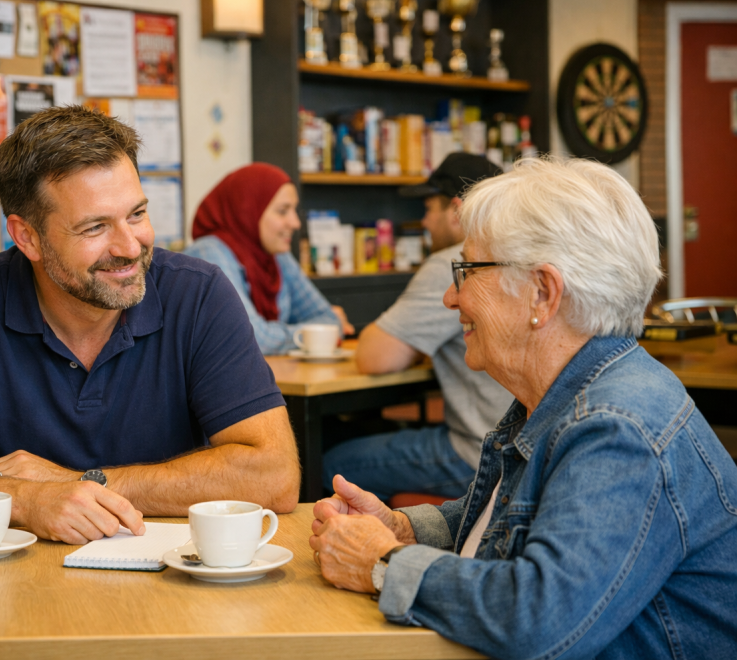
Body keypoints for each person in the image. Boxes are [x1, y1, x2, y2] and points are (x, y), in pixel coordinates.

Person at [310, 157, 737, 659]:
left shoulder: (617, 429)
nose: (450, 298)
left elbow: (540, 618)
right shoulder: (573, 392)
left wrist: (382, 563)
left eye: (466, 271)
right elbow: (514, 522)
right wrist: (402, 529)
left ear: (542, 293)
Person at [0, 107, 300, 545]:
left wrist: (83, 484)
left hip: (169, 577)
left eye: (136, 214)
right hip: (2, 585)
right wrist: (25, 500)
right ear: (27, 237)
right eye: (95, 227)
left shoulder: (198, 295)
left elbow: (275, 476)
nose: (130, 247)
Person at [322, 153, 513, 499]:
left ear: (455, 211)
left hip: (479, 451)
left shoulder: (452, 263)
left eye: (428, 209)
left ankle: (367, 534)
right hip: (523, 448)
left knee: (332, 463)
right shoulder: (515, 255)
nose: (424, 222)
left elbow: (374, 358)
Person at [183, 163, 353, 355]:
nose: (295, 223)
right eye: (282, 211)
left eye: (294, 210)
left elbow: (328, 318)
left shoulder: (276, 255)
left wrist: (294, 334)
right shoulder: (209, 253)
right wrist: (313, 334)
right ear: (248, 210)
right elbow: (252, 338)